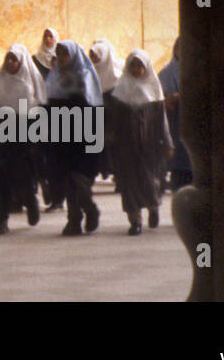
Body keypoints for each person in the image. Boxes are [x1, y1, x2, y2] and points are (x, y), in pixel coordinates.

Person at [106, 50, 175, 235]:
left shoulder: (154, 89)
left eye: (139, 65)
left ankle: (153, 207)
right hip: (126, 146)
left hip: (150, 146)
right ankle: (135, 220)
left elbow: (162, 121)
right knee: (128, 183)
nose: (136, 69)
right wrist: (109, 137)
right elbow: (113, 120)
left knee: (150, 181)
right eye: (133, 66)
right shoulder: (121, 90)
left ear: (146, 67)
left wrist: (168, 144)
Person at [0, 44, 47, 234]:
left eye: (14, 59)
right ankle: (1, 219)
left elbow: (41, 105)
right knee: (0, 178)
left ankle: (30, 202)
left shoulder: (30, 80)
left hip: (25, 135)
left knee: (24, 176)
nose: (10, 62)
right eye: (8, 58)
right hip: (2, 134)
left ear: (22, 61)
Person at [45, 41, 104, 236]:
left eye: (65, 55)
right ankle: (74, 220)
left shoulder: (85, 77)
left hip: (82, 136)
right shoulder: (53, 78)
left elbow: (91, 107)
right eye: (59, 55)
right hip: (61, 136)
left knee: (79, 179)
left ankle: (89, 209)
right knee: (67, 179)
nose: (62, 59)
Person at [33, 28, 63, 210]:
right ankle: (46, 187)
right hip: (39, 117)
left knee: (57, 161)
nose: (48, 39)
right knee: (39, 157)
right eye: (45, 35)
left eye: (51, 35)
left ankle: (58, 198)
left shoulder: (65, 76)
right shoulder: (34, 60)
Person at [158, 38, 192, 191]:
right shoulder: (165, 74)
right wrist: (170, 98)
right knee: (179, 155)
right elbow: (160, 99)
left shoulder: (198, 70)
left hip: (194, 120)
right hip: (175, 121)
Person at [89, 39, 121, 184]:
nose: (94, 59)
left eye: (97, 55)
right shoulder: (91, 74)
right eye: (92, 56)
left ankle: (119, 177)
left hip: (115, 119)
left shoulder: (118, 77)